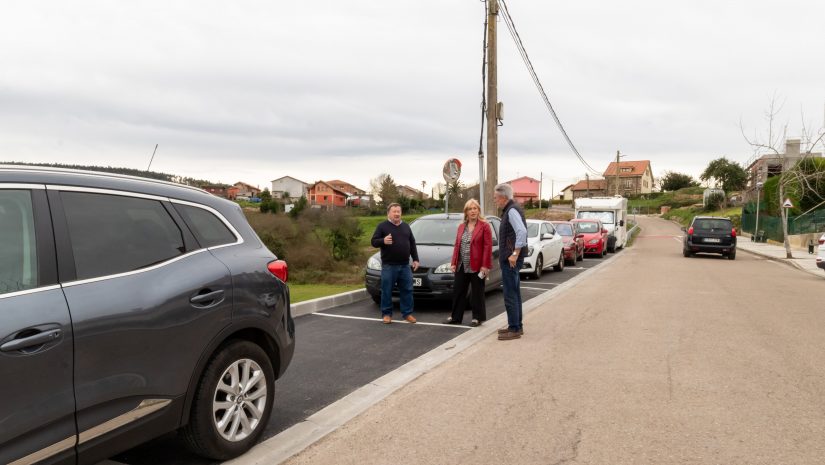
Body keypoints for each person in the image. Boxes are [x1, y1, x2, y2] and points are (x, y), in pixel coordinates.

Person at [444, 199, 492, 327]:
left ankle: (477, 318)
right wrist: (454, 262)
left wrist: (485, 266)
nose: (473, 211)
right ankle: (455, 317)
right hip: (461, 265)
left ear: (478, 210)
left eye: (475, 208)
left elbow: (488, 247)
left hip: (477, 265)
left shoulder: (485, 226)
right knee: (459, 291)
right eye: (470, 209)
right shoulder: (461, 227)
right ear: (466, 212)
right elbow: (457, 245)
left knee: (477, 292)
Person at [370, 203, 420, 324]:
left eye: (398, 211)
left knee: (407, 290)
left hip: (405, 265)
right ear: (389, 213)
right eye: (394, 212)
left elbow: (412, 243)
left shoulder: (406, 227)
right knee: (387, 290)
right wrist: (383, 241)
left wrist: (416, 259)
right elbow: (373, 242)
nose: (397, 214)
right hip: (389, 266)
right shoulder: (382, 226)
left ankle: (407, 314)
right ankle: (387, 314)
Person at [494, 183, 527, 340]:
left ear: (503, 197)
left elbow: (521, 232)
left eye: (496, 198)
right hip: (511, 258)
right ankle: (516, 326)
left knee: (510, 294)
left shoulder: (511, 210)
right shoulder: (512, 209)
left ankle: (514, 328)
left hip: (511, 260)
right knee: (515, 292)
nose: (495, 201)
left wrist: (514, 254)